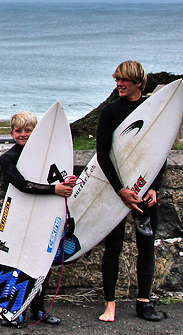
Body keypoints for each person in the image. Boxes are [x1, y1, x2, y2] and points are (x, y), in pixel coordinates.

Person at [96, 61, 164, 323]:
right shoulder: (110, 112)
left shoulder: (153, 110)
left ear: (138, 82)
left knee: (146, 246)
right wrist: (120, 190)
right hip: (116, 190)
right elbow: (102, 156)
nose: (119, 84)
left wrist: (155, 187)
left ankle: (144, 303)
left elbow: (160, 152)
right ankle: (110, 304)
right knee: (113, 248)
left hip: (145, 191)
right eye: (116, 80)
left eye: (124, 80)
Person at [0, 111, 77, 326]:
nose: (23, 134)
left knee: (42, 263)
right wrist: (55, 190)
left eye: (28, 130)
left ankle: (39, 310)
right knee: (16, 264)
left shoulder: (48, 158)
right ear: (12, 133)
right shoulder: (7, 158)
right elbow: (22, 185)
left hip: (44, 215)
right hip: (18, 217)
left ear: (36, 133)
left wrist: (67, 183)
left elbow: (58, 180)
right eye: (18, 131)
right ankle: (14, 308)